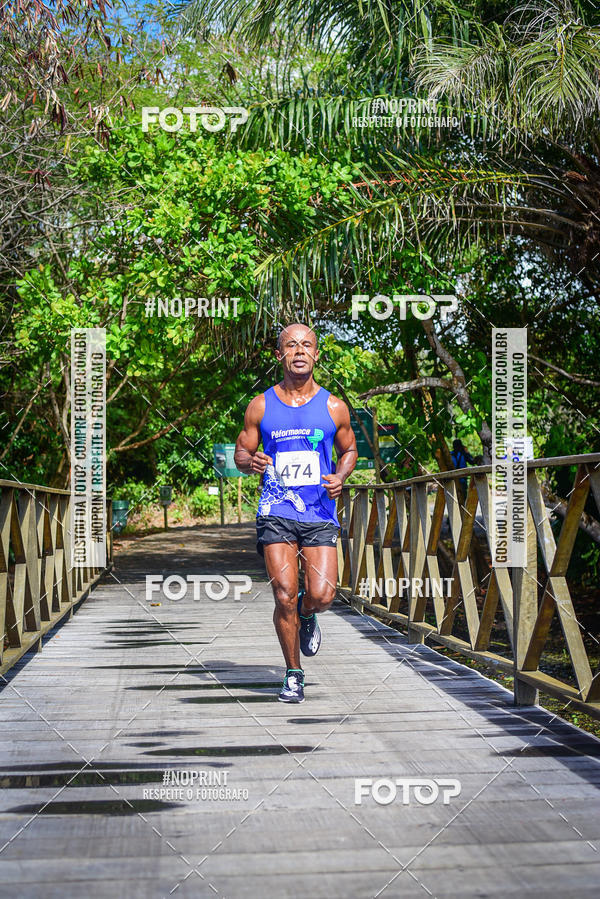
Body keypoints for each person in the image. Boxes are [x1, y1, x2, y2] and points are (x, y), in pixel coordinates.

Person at [234, 323, 357, 703]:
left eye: (307, 345)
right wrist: (250, 462)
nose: (300, 351)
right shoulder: (261, 405)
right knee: (284, 593)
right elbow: (241, 453)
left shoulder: (334, 406)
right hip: (276, 509)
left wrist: (340, 476)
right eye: (291, 345)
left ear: (316, 354)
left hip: (319, 510)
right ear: (280, 355)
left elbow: (350, 450)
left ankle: (308, 613)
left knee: (322, 595)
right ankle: (293, 673)